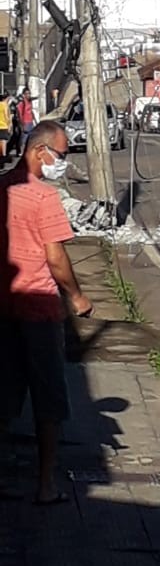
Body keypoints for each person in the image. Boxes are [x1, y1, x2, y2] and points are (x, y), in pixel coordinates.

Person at [0, 121, 92, 503]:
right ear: (40, 152)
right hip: (38, 307)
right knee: (49, 398)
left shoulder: (1, 187)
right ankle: (45, 484)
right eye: (62, 154)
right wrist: (77, 297)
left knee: (4, 394)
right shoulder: (43, 197)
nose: (63, 162)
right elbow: (55, 258)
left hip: (4, 308)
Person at [17, 88, 36, 153]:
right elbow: (20, 114)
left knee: (30, 138)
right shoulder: (22, 103)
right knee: (24, 139)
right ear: (24, 95)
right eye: (26, 94)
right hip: (25, 122)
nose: (28, 95)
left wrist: (35, 120)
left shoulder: (29, 102)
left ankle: (27, 152)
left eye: (29, 93)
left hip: (30, 122)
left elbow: (31, 112)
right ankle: (22, 152)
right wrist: (22, 124)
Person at [0, 93, 11, 166]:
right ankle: (3, 157)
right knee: (3, 142)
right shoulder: (5, 105)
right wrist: (9, 125)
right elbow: (7, 117)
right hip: (4, 126)